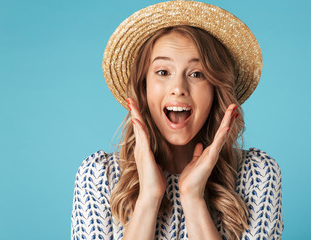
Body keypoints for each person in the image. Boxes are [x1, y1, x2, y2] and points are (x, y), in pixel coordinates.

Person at [71, 1, 283, 239]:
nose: (178, 88)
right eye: (163, 72)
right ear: (144, 88)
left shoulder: (257, 173)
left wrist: (193, 198)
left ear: (215, 90)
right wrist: (149, 197)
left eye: (196, 74)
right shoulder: (99, 176)